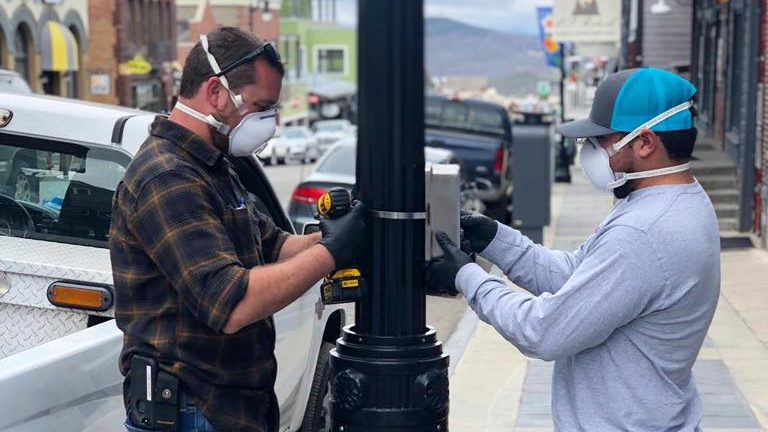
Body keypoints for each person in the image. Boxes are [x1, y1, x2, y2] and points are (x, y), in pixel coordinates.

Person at [428, 67, 720, 431]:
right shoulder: (671, 201)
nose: (589, 152)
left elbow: (545, 331)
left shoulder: (644, 230)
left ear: (645, 143)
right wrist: (496, 240)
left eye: (601, 141)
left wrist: (467, 277)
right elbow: (578, 278)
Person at [109, 27, 365, 432]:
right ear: (216, 92)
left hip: (230, 406)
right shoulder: (167, 177)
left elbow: (273, 245)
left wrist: (337, 236)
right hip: (191, 410)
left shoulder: (212, 167)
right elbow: (230, 305)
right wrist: (330, 254)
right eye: (261, 107)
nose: (269, 124)